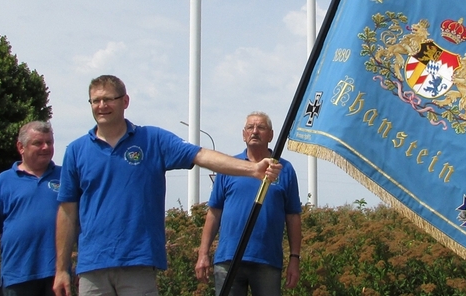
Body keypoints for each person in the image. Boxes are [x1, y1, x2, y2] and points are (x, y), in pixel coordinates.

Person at [52, 75, 281, 296]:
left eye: (108, 99)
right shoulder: (76, 150)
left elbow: (201, 155)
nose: (102, 105)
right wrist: (61, 269)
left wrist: (252, 169)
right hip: (92, 266)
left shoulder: (152, 140)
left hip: (137, 262)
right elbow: (67, 213)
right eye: (96, 100)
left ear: (125, 101)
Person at [195, 111, 302, 296]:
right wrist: (203, 253)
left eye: (261, 127)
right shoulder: (228, 166)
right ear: (243, 134)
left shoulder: (283, 169)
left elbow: (293, 217)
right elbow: (214, 213)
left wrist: (295, 258)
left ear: (271, 135)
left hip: (267, 260)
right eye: (250, 127)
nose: (255, 132)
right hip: (229, 259)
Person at [0, 121, 61, 296]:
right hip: (17, 276)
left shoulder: (66, 177)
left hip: (56, 276)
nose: (46, 147)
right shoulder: (3, 182)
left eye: (50, 142)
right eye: (38, 143)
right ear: (21, 147)